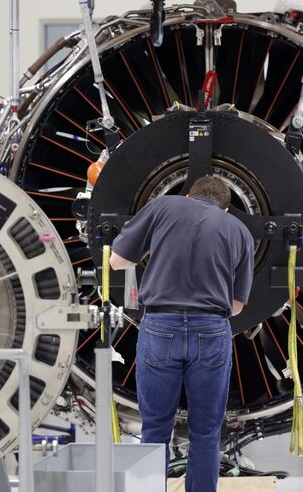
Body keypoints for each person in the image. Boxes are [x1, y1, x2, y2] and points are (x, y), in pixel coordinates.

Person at [110, 175, 255, 492]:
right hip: (212, 330)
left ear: (189, 197)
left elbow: (116, 260)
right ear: (226, 209)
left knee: (155, 427)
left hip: (160, 326)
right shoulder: (239, 230)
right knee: (205, 430)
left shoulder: (163, 205)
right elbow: (237, 306)